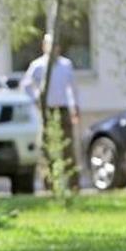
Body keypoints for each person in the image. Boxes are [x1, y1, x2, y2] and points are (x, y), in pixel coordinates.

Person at [20, 33, 80, 190]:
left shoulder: (66, 65)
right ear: (44, 46)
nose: (54, 49)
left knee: (68, 147)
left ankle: (73, 184)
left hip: (63, 109)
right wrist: (36, 99)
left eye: (56, 45)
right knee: (47, 148)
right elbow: (26, 84)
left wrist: (75, 107)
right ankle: (49, 185)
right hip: (47, 110)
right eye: (50, 45)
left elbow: (72, 88)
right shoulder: (38, 66)